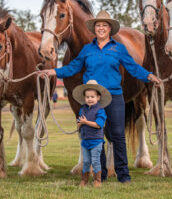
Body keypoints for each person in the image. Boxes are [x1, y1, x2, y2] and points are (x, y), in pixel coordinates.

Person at [41, 10, 162, 183]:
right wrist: (52, 71)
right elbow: (73, 67)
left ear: (110, 28)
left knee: (118, 135)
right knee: (98, 136)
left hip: (115, 96)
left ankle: (123, 175)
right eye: (98, 25)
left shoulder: (118, 48)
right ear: (94, 28)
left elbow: (132, 67)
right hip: (95, 99)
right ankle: (102, 174)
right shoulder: (87, 49)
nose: (101, 28)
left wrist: (149, 76)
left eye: (105, 25)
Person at [73, 80, 112, 187]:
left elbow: (99, 125)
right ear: (84, 98)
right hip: (85, 140)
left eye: (92, 97)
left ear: (98, 97)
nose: (89, 99)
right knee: (85, 161)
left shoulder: (100, 110)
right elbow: (80, 121)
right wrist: (80, 124)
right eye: (87, 97)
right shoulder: (83, 109)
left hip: (96, 141)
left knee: (95, 161)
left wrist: (85, 122)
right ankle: (84, 180)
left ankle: (97, 180)